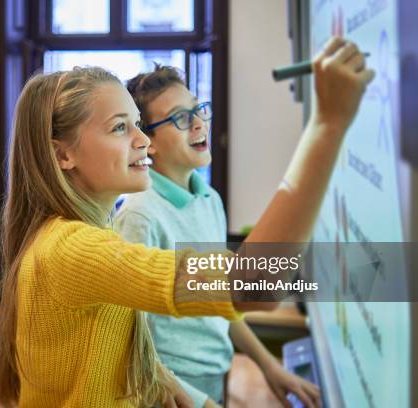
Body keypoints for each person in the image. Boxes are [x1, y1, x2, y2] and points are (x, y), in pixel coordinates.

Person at [0, 37, 373, 407]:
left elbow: (110, 343)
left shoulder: (85, 235)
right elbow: (255, 284)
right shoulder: (73, 248)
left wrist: (166, 381)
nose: (143, 140)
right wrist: (327, 124)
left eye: (138, 124)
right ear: (63, 156)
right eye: (119, 127)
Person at [115, 64, 320, 408]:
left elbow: (222, 301)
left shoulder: (209, 199)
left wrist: (269, 366)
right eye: (181, 117)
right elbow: (131, 345)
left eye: (198, 109)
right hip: (167, 392)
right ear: (147, 142)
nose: (198, 123)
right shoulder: (139, 217)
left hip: (214, 377)